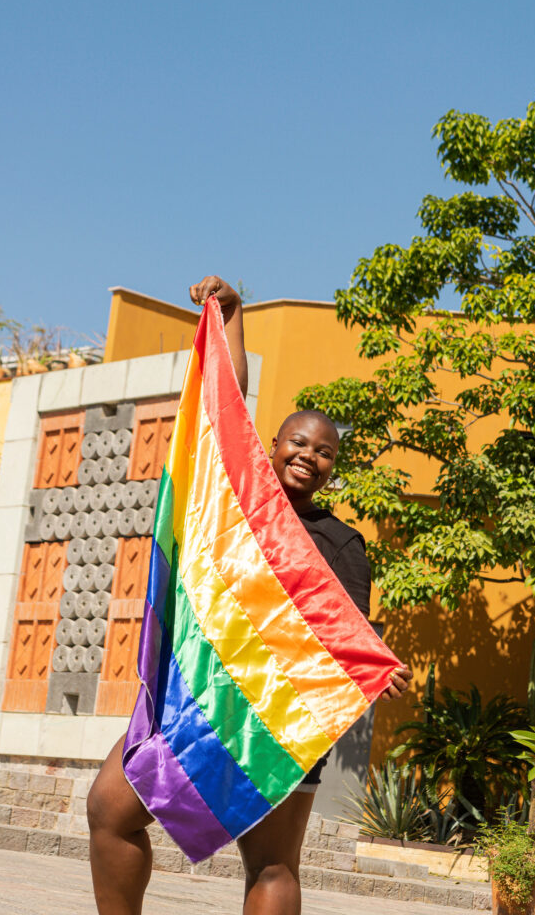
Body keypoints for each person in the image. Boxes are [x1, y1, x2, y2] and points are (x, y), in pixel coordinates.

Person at [87, 275, 412, 915]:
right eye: (298, 441)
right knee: (109, 808)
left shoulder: (341, 543)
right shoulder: (236, 500)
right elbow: (223, 403)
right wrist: (232, 315)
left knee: (269, 862)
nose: (309, 456)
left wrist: (373, 661)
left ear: (332, 469)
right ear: (273, 446)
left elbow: (341, 630)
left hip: (279, 720)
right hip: (204, 697)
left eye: (324, 452)